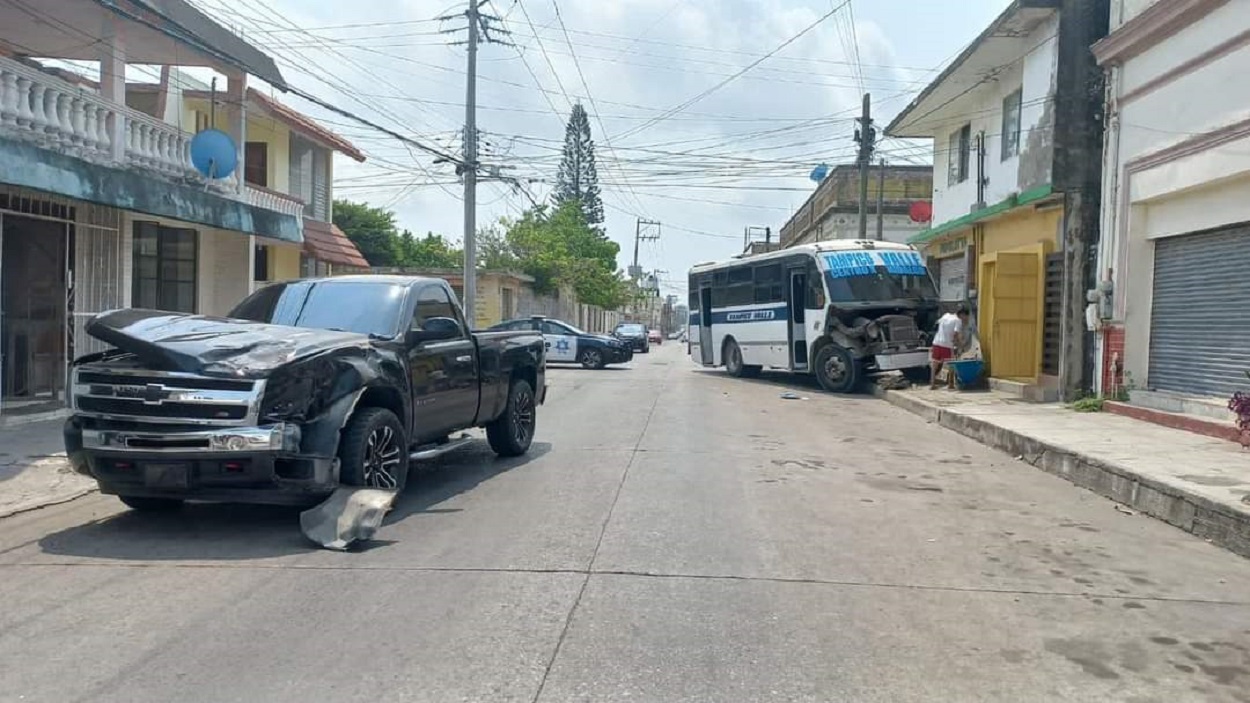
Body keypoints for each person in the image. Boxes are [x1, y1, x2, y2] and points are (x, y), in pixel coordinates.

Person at [929, 305, 969, 390]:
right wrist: (960, 344)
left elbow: (936, 323)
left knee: (935, 363)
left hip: (936, 342)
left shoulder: (945, 315)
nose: (965, 318)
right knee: (952, 364)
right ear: (962, 314)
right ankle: (951, 384)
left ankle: (932, 384)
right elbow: (956, 334)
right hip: (946, 344)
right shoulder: (958, 320)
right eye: (965, 316)